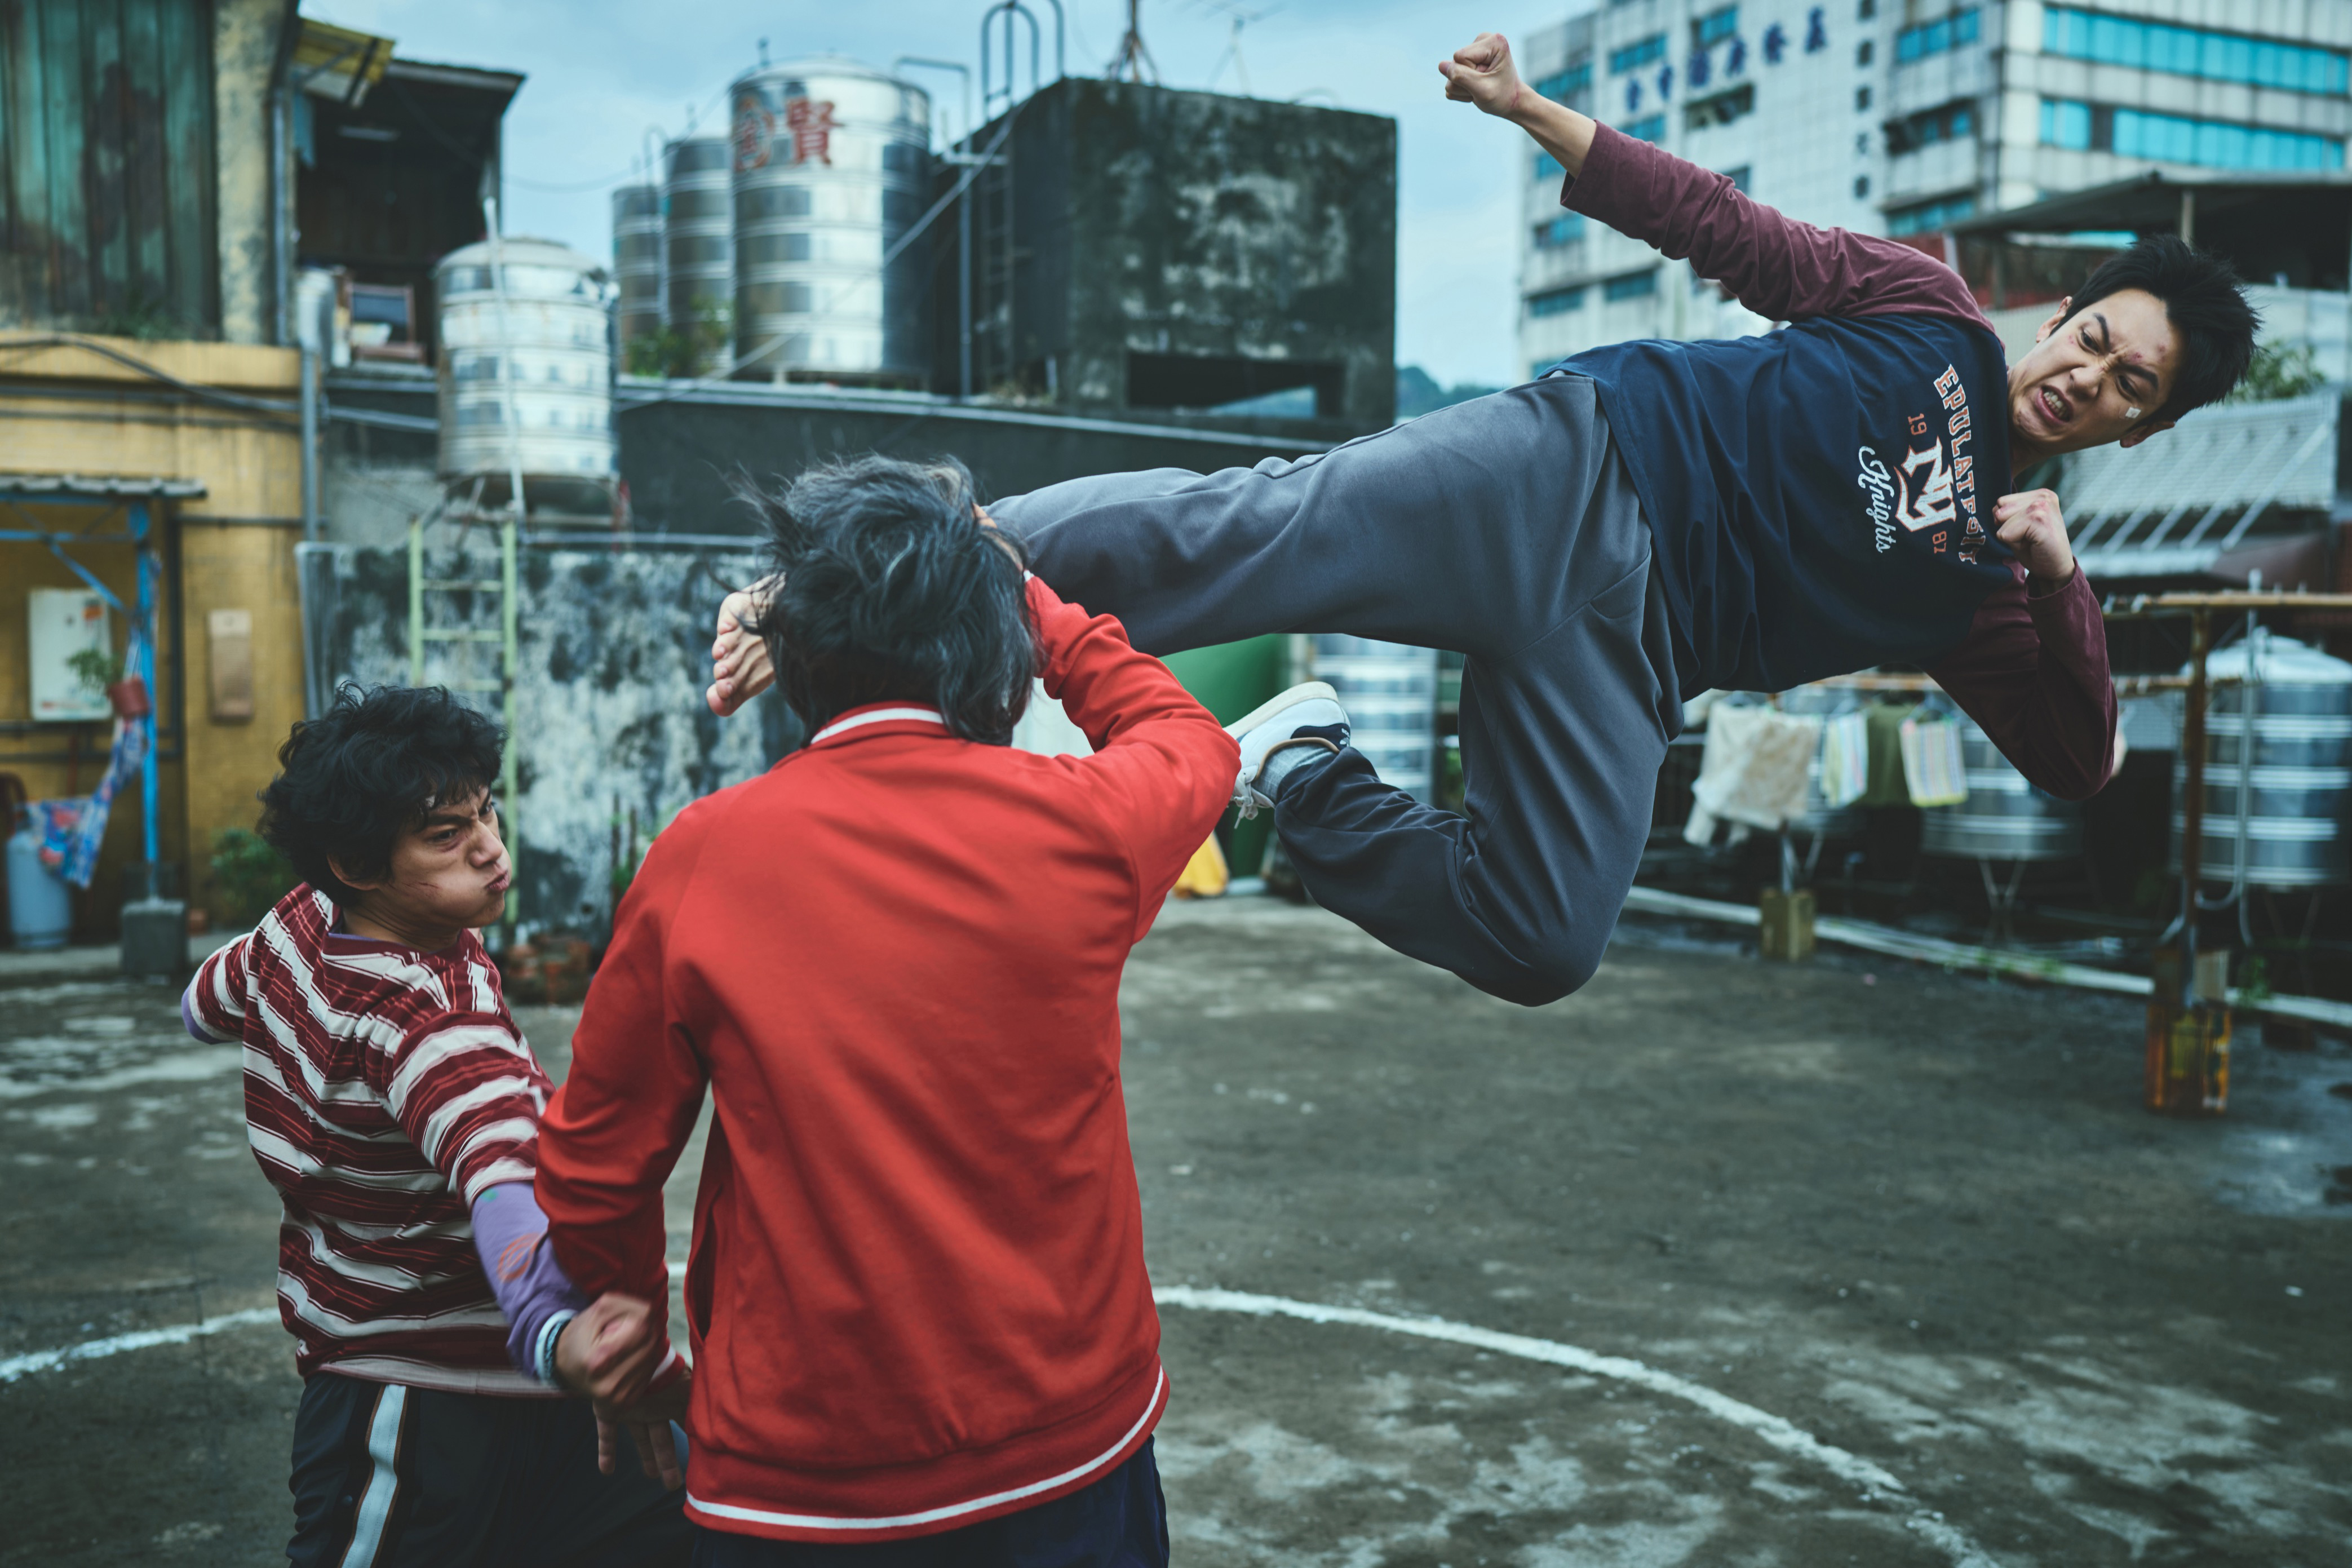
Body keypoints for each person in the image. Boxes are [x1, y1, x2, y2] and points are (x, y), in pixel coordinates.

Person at [706, 32, 2259, 1008]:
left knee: (1540, 940)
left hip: (1627, 659)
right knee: (1241, 528)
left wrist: (2060, 584)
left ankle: (1295, 765)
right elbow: (1725, 226)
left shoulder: (1993, 596)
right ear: (2059, 311)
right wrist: (1536, 113)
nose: (2084, 375)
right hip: (1574, 468)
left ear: (2142, 422)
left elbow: (2078, 760)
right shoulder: (1924, 314)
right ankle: (836, 574)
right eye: (2091, 334)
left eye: (2125, 385)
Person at [533, 456, 1243, 1563]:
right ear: (995, 654)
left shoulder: (701, 861)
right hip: (1070, 1451)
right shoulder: (1083, 827)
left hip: (795, 1483)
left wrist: (632, 1333)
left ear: (799, 657)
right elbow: (1193, 741)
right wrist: (1036, 607)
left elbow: (592, 1164)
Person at [180, 685, 690, 1567]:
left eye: (484, 811)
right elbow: (504, 1178)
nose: (490, 848)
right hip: (409, 1403)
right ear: (359, 864)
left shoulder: (296, 922)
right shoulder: (433, 1024)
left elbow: (202, 1002)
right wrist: (555, 1333)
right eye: (445, 836)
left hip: (520, 1392)